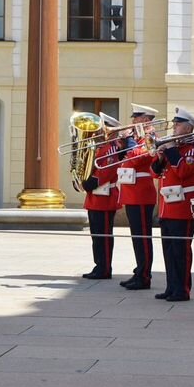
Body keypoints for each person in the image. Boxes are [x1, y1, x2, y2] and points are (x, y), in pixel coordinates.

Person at [150, 107, 194, 302]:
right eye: (174, 123)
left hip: (184, 207)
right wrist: (160, 155)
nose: (174, 127)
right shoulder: (172, 149)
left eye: (178, 124)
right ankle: (171, 286)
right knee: (169, 249)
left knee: (181, 250)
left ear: (189, 128)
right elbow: (156, 173)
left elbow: (182, 172)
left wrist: (171, 150)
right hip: (167, 206)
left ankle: (182, 289)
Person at [118, 103, 159, 290]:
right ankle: (139, 271)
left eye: (136, 117)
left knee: (142, 236)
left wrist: (129, 144)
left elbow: (137, 158)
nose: (133, 120)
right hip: (132, 192)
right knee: (136, 236)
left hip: (141, 193)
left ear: (145, 119)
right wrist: (122, 144)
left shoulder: (150, 137)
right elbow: (124, 159)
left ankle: (144, 276)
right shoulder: (137, 137)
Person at [81, 113, 123, 280]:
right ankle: (99, 265)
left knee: (104, 235)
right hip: (95, 198)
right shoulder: (99, 147)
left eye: (102, 128)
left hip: (105, 197)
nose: (97, 132)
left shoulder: (111, 148)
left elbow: (105, 173)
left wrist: (89, 182)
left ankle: (105, 268)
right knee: (96, 235)